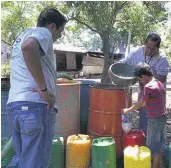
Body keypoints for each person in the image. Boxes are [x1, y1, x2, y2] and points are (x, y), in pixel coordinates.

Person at [6, 7, 67, 168]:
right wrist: (44, 90)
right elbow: (29, 47)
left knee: (22, 160)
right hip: (35, 106)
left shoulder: (23, 34)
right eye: (60, 31)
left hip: (16, 106)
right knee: (34, 163)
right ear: (52, 26)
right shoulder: (43, 33)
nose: (59, 37)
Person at [119, 32, 169, 135]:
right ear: (144, 43)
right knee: (144, 119)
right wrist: (113, 67)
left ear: (158, 48)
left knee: (154, 123)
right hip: (145, 94)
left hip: (157, 99)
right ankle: (144, 140)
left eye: (153, 49)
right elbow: (124, 63)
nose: (149, 51)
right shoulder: (136, 53)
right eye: (147, 47)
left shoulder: (162, 59)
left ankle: (153, 144)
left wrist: (128, 110)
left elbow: (162, 78)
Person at [122, 63, 167, 168]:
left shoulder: (149, 86)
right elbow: (151, 101)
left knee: (152, 147)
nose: (140, 82)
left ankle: (155, 166)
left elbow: (141, 103)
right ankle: (159, 165)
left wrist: (127, 110)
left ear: (143, 76)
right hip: (162, 117)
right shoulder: (159, 83)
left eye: (139, 79)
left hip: (154, 120)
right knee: (159, 144)